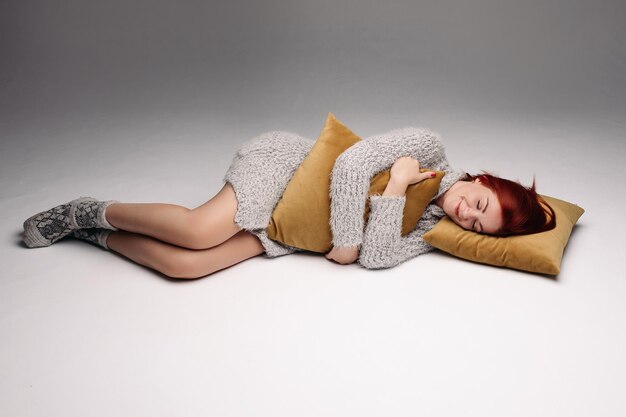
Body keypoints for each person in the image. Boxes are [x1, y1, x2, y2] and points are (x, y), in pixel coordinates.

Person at [22, 127, 556, 278]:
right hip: (288, 168)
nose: (467, 215)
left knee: (188, 267)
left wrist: (394, 191)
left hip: (294, 227)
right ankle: (85, 210)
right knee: (197, 231)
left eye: (478, 226)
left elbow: (376, 257)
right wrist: (351, 240)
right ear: (484, 179)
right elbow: (349, 166)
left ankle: (94, 235)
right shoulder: (430, 148)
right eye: (479, 204)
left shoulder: (432, 231)